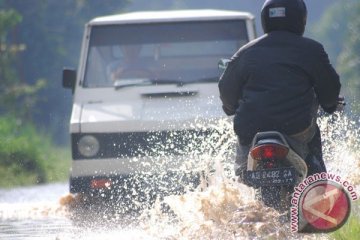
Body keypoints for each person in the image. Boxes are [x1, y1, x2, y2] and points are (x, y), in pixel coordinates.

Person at [218, 0, 341, 183]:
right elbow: (331, 90)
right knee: (314, 136)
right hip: (296, 128)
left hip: (250, 130)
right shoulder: (312, 50)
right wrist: (330, 105)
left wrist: (230, 108)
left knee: (240, 177)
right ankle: (317, 186)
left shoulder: (245, 52)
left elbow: (226, 89)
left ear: (265, 19)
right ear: (301, 19)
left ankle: (241, 181)